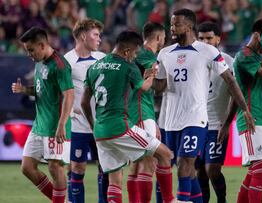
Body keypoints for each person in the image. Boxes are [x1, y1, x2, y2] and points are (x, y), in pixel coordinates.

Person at [154, 8, 254, 203]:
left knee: (185, 163)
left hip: (196, 118)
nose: (172, 27)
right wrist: (148, 78)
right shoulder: (165, 53)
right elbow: (159, 88)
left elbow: (231, 81)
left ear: (189, 26)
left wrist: (245, 109)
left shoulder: (208, 51)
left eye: (177, 24)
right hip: (171, 120)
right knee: (190, 171)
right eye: (172, 23)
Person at [81, 31, 175, 203]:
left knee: (115, 180)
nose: (135, 57)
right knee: (165, 154)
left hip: (100, 132)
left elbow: (84, 103)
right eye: (134, 53)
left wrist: (92, 125)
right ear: (126, 51)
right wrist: (152, 75)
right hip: (119, 127)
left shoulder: (94, 66)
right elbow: (144, 88)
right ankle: (170, 200)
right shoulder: (128, 67)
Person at [12, 27, 74, 203]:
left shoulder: (60, 65)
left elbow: (69, 94)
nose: (29, 54)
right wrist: (24, 90)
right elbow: (42, 91)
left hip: (55, 127)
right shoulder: (39, 62)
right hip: (39, 126)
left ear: (42, 45)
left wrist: (62, 124)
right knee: (27, 167)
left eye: (31, 50)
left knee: (55, 168)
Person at [219, 18, 262, 203]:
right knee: (261, 169)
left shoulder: (258, 58)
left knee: (256, 170)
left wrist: (227, 123)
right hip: (252, 119)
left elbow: (241, 91)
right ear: (257, 36)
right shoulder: (244, 55)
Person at [64, 18, 108, 203]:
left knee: (105, 168)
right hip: (79, 127)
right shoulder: (67, 61)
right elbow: (60, 93)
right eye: (95, 34)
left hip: (102, 125)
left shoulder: (103, 58)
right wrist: (72, 111)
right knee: (77, 168)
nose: (99, 39)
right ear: (83, 36)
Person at [126, 22, 166, 203]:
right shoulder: (146, 55)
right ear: (158, 37)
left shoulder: (136, 54)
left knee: (136, 165)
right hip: (141, 113)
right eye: (164, 37)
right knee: (148, 164)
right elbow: (156, 86)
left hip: (135, 111)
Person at [196, 21, 234, 203]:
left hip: (216, 125)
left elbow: (235, 94)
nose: (205, 42)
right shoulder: (192, 61)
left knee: (212, 169)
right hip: (195, 125)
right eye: (201, 38)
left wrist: (227, 123)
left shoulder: (228, 62)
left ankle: (222, 200)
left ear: (218, 39)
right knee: (199, 171)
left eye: (209, 38)